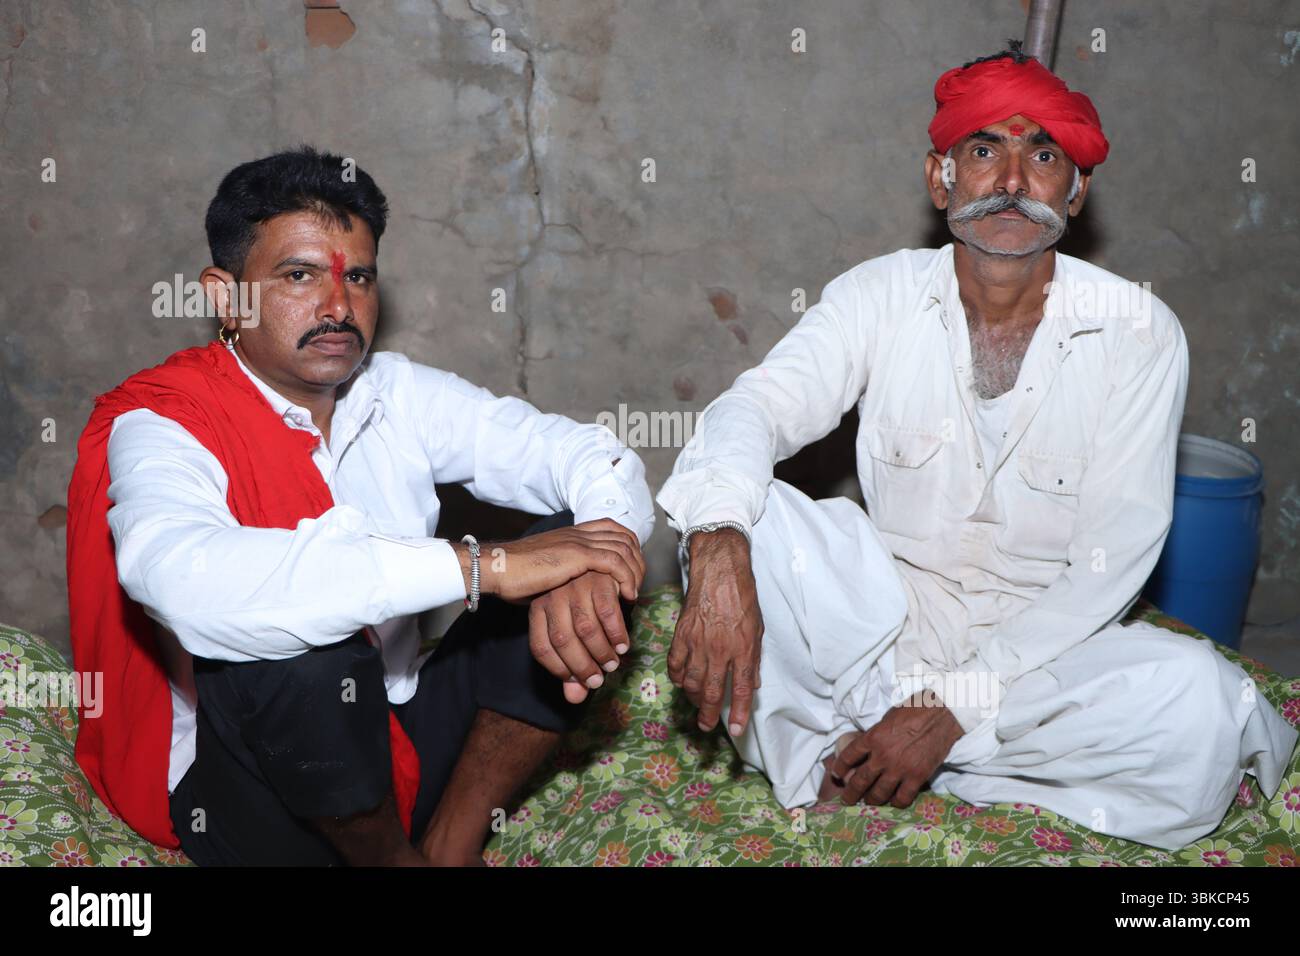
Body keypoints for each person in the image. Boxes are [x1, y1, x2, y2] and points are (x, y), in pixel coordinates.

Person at [655, 43, 1298, 851]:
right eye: (985, 149)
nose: (1011, 182)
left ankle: (931, 758)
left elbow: (1115, 557)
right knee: (748, 521)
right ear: (941, 178)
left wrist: (952, 706)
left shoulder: (1139, 332)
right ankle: (840, 758)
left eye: (1044, 154)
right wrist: (717, 541)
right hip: (886, 628)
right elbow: (756, 406)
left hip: (1041, 658)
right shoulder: (877, 295)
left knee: (1204, 707)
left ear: (1077, 188)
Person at [66, 146, 655, 865]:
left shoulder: (394, 393)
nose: (338, 306)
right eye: (299, 275)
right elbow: (182, 580)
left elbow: (601, 458)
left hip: (397, 730)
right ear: (226, 296)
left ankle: (451, 842)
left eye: (359, 277)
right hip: (252, 784)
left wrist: (595, 559)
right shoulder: (162, 423)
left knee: (579, 541)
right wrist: (482, 566)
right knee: (297, 645)